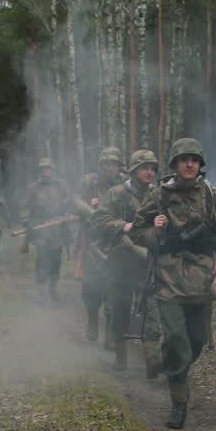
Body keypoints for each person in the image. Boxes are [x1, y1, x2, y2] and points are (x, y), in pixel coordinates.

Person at [128, 138, 216, 430]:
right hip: (169, 281)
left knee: (196, 343)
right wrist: (156, 230)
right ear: (175, 164)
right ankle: (179, 400)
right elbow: (138, 232)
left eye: (195, 159)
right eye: (184, 159)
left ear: (200, 164)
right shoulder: (159, 196)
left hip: (203, 281)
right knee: (177, 340)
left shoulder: (214, 196)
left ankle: (171, 366)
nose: (190, 164)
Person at [90, 149, 162, 374]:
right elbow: (98, 220)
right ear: (133, 171)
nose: (150, 172)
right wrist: (124, 226)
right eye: (144, 168)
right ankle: (120, 359)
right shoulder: (116, 194)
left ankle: (152, 362)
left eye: (152, 168)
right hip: (120, 263)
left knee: (152, 313)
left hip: (149, 264)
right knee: (120, 311)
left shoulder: (159, 195)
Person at [76, 147, 128, 346]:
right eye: (107, 163)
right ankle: (92, 318)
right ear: (101, 164)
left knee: (114, 290)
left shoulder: (125, 183)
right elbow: (73, 200)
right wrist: (92, 211)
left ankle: (110, 334)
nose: (111, 167)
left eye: (114, 163)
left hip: (117, 240)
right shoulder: (88, 181)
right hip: (93, 242)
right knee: (91, 288)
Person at [21, 158, 73, 302]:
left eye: (48, 168)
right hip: (41, 229)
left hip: (58, 228)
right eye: (43, 169)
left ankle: (53, 289)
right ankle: (42, 292)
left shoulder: (62, 185)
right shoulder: (33, 188)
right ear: (40, 171)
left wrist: (67, 214)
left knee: (56, 261)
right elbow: (25, 207)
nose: (46, 171)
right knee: (43, 260)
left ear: (52, 170)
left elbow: (69, 201)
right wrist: (26, 221)